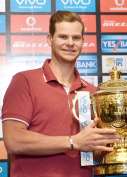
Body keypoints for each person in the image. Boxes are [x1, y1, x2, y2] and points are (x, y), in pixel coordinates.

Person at [1, 11, 119, 177]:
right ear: (50, 39)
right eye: (63, 37)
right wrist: (73, 142)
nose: (70, 43)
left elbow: (97, 150)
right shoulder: (24, 81)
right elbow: (14, 140)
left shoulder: (92, 92)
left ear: (83, 41)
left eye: (76, 38)